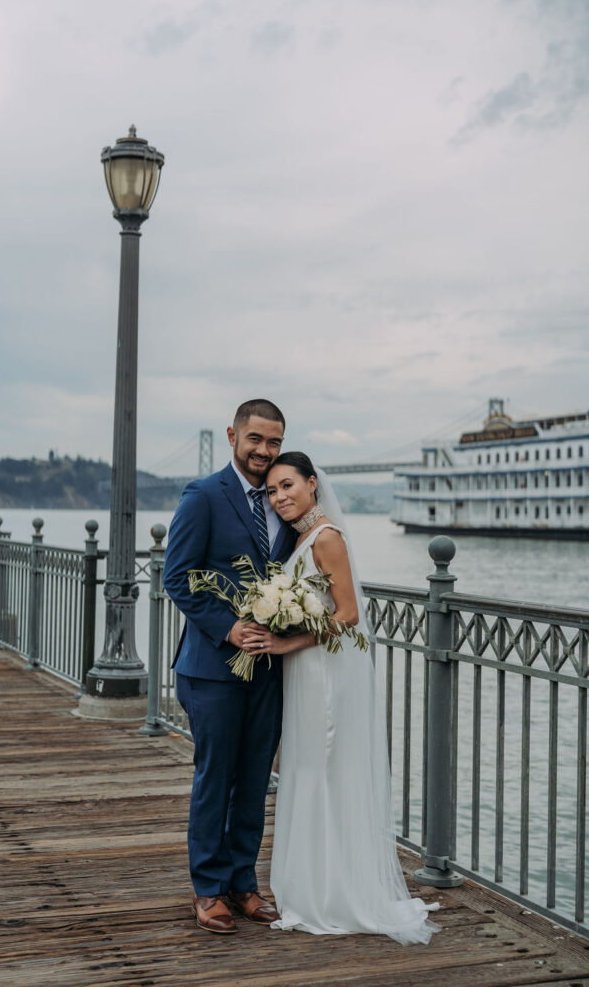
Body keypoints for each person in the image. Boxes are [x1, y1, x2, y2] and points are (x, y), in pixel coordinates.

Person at [241, 451, 440, 944]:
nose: (280, 496)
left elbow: (348, 613)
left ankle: (331, 894)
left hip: (323, 670)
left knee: (323, 769)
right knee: (307, 768)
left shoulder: (327, 537)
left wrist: (286, 639)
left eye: (288, 485)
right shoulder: (303, 537)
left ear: (312, 484)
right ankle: (311, 884)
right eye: (271, 490)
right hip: (305, 670)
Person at [163, 400, 297, 934]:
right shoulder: (203, 496)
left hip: (267, 668)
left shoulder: (284, 500)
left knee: (255, 778)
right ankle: (209, 889)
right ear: (232, 436)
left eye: (274, 442)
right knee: (215, 777)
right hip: (212, 667)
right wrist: (228, 627)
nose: (265, 452)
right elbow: (178, 576)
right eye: (256, 440)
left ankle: (244, 883)